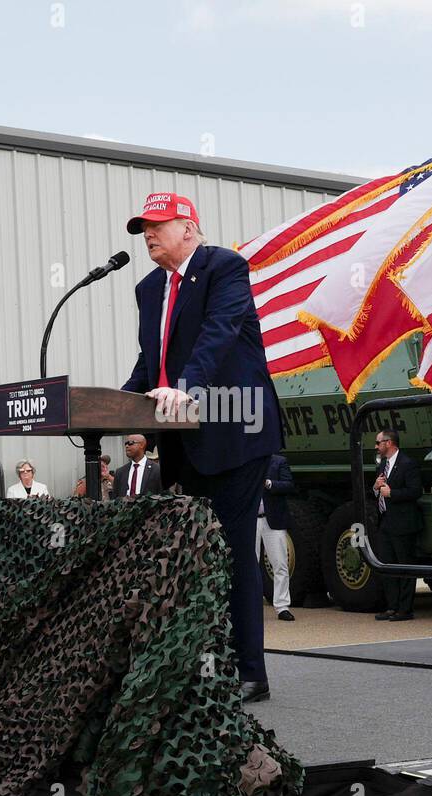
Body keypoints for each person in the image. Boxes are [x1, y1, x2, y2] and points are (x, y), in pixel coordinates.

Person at [119, 191, 283, 703]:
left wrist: (186, 386)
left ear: (188, 228)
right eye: (143, 227)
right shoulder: (150, 288)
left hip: (235, 431)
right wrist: (112, 407)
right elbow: (152, 362)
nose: (148, 234)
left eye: (158, 225)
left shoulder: (223, 267)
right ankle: (205, 663)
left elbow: (219, 334)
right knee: (193, 556)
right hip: (182, 441)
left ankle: (249, 672)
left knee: (232, 551)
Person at [372, 429, 424, 622]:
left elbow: (415, 491)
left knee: (405, 566)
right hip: (385, 521)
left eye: (379, 443)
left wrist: (392, 494)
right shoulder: (383, 465)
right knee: (388, 566)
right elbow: (378, 492)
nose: (376, 446)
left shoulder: (407, 464)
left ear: (389, 442)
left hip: (403, 523)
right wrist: (376, 488)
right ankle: (391, 606)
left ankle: (405, 609)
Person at [258, 453, 297, 622]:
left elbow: (289, 485)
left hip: (272, 519)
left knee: (280, 564)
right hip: (251, 520)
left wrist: (268, 483)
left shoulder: (279, 461)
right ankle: (250, 605)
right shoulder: (245, 462)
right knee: (249, 565)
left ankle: (282, 607)